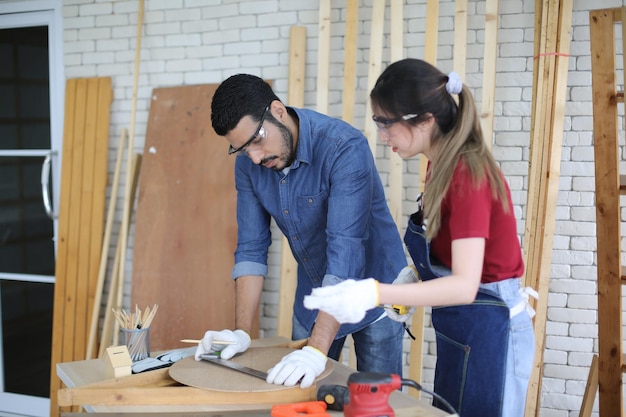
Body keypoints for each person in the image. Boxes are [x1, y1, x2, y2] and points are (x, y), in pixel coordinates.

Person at [304, 58, 537, 417]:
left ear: (425, 120)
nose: (382, 136)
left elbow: (463, 286)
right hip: (463, 334)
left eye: (386, 123)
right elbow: (454, 258)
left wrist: (375, 291)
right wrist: (414, 278)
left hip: (493, 335)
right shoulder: (440, 165)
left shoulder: (467, 175)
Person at [194, 73, 409, 389]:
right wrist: (240, 332)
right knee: (301, 396)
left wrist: (315, 350)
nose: (254, 157)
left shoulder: (344, 147)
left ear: (278, 111)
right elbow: (252, 247)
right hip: (315, 290)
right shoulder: (249, 164)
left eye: (256, 140)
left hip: (375, 291)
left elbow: (345, 252)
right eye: (241, 149)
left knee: (377, 400)